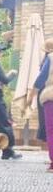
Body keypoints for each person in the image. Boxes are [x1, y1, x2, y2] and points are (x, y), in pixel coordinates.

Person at [31, 38, 53, 171]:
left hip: (50, 96)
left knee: (51, 130)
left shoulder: (50, 58)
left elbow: (41, 79)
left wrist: (31, 95)